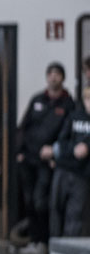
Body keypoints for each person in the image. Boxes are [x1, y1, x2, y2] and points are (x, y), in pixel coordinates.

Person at [14, 61, 76, 254]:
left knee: (41, 202)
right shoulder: (37, 99)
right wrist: (19, 151)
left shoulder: (68, 104)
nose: (53, 77)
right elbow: (24, 126)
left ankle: (44, 240)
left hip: (47, 162)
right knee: (29, 201)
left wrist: (56, 152)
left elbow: (68, 133)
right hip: (28, 158)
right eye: (51, 73)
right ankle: (34, 240)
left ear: (63, 78)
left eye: (57, 74)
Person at [50, 85, 90, 238]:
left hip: (83, 175)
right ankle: (55, 245)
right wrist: (74, 149)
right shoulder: (74, 116)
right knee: (56, 207)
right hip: (64, 168)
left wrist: (87, 147)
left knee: (77, 215)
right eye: (88, 99)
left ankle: (71, 247)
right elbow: (61, 142)